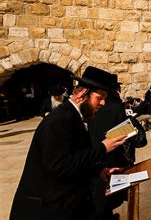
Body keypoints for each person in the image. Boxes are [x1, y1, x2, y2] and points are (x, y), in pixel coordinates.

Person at [10, 66, 127, 220]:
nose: (103, 103)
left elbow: (75, 155)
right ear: (83, 94)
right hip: (45, 209)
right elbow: (59, 166)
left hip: (62, 204)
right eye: (99, 98)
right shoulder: (59, 120)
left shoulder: (73, 116)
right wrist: (103, 147)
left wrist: (98, 169)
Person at [87, 75, 133, 220]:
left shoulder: (87, 111)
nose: (102, 103)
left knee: (100, 197)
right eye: (99, 98)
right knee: (104, 196)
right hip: (107, 155)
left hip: (96, 162)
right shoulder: (115, 105)